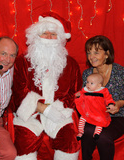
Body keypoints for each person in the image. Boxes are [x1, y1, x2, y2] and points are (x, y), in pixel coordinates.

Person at [12, 12, 82, 160]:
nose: (49, 38)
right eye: (45, 33)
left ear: (60, 38)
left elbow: (75, 93)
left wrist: (57, 109)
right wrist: (44, 109)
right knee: (24, 147)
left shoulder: (71, 64)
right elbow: (19, 92)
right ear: (36, 36)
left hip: (59, 112)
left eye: (53, 34)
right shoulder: (22, 62)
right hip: (30, 115)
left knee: (70, 143)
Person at [81, 35, 124, 160]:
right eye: (89, 53)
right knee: (87, 131)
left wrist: (119, 104)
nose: (91, 57)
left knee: (102, 136)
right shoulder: (87, 74)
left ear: (107, 54)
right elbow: (84, 97)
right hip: (94, 116)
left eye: (96, 52)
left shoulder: (120, 72)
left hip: (118, 116)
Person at [75, 73, 115, 141]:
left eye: (91, 83)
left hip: (99, 112)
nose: (88, 84)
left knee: (100, 121)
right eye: (87, 82)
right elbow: (80, 95)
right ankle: (80, 132)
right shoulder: (85, 90)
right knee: (82, 118)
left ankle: (97, 133)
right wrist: (78, 95)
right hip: (88, 112)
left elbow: (108, 98)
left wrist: (110, 104)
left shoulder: (103, 91)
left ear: (99, 86)